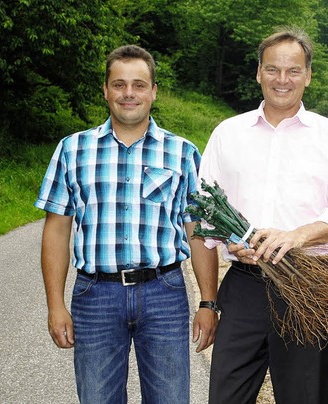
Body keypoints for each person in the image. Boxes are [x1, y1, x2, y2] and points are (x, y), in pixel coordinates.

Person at [34, 44, 219, 403]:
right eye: (119, 84)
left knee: (170, 398)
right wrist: (55, 305)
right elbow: (56, 230)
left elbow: (198, 232)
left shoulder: (181, 153)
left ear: (153, 91)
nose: (128, 93)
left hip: (164, 294)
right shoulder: (72, 150)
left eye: (138, 84)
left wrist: (208, 302)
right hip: (95, 296)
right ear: (105, 90)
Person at [196, 27, 328, 403]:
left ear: (308, 75)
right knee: (226, 395)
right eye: (272, 69)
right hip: (244, 285)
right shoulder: (228, 133)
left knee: (304, 396)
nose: (282, 80)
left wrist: (296, 236)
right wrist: (231, 240)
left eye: (293, 70)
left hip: (309, 284)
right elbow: (205, 208)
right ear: (258, 72)